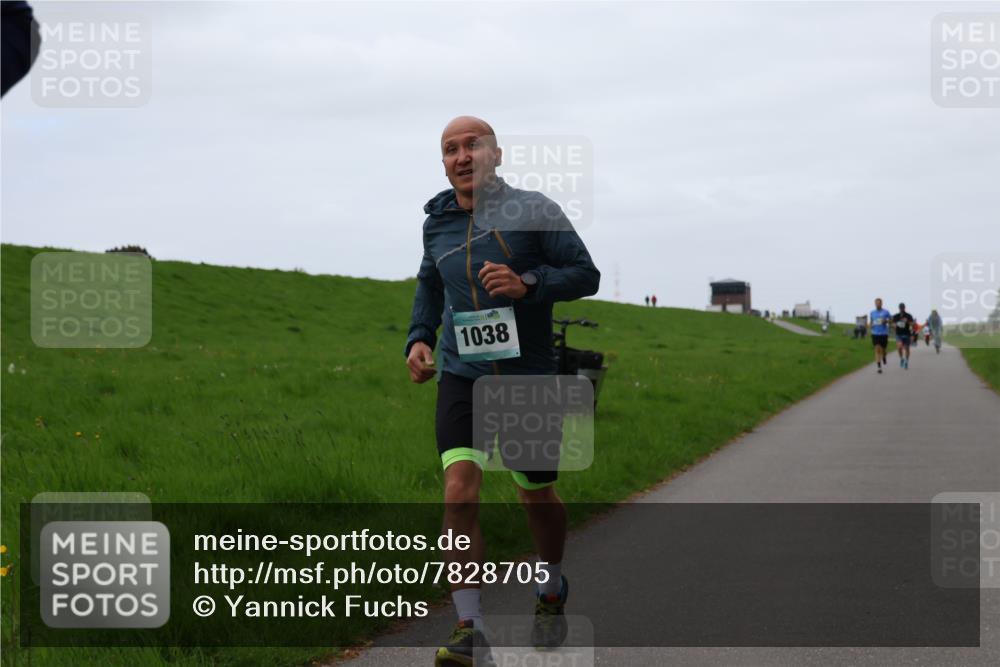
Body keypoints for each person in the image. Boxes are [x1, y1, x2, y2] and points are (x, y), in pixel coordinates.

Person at [405, 116, 600, 666]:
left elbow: (586, 274)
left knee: (535, 493)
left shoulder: (535, 210)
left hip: (525, 375)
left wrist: (528, 284)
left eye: (472, 145)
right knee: (459, 491)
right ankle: (472, 629)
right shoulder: (436, 224)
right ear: (444, 162)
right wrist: (419, 338)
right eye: (450, 149)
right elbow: (428, 281)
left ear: (496, 154)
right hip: (462, 372)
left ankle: (552, 586)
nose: (462, 156)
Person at [869, 298, 892, 374]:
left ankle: (884, 356)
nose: (877, 304)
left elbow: (891, 320)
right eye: (876, 303)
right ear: (875, 304)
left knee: (883, 350)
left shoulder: (886, 312)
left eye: (879, 303)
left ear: (881, 304)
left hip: (884, 333)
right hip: (875, 333)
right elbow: (871, 322)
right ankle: (879, 367)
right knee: (877, 349)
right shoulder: (872, 312)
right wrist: (870, 325)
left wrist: (886, 321)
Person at [892, 302, 916, 369]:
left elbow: (913, 324)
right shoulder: (896, 316)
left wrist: (907, 321)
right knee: (899, 347)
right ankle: (902, 358)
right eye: (900, 307)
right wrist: (895, 325)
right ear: (899, 308)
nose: (901, 309)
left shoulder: (908, 315)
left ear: (904, 308)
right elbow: (893, 324)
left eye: (902, 307)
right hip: (898, 334)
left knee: (907, 348)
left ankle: (906, 361)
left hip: (907, 334)